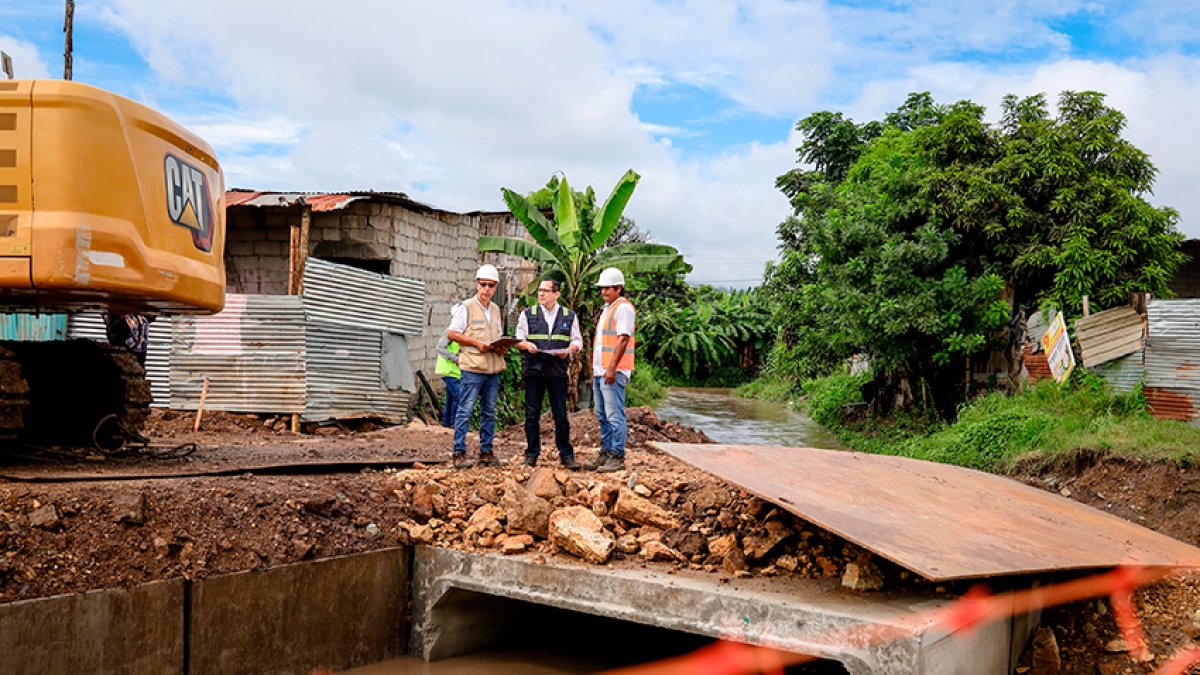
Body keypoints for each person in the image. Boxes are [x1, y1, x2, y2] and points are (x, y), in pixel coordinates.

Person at [515, 278, 582, 469]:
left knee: (560, 415)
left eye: (546, 290)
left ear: (557, 294)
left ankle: (566, 456)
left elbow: (577, 341)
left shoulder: (569, 316)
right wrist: (527, 345)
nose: (541, 294)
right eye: (540, 291)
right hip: (534, 371)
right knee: (531, 415)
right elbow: (519, 339)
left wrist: (570, 350)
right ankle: (531, 454)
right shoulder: (528, 314)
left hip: (557, 372)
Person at [446, 264, 509, 469]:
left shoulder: (496, 309)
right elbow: (452, 333)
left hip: (492, 369)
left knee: (489, 412)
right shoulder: (466, 307)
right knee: (465, 410)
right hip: (473, 368)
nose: (487, 289)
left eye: (491, 286)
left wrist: (501, 347)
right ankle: (459, 452)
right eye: (483, 285)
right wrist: (476, 343)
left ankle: (486, 451)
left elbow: (497, 335)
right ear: (477, 284)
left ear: (496, 287)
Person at [587, 267, 636, 473]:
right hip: (601, 370)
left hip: (613, 371)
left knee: (614, 414)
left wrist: (611, 368)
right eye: (602, 289)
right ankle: (606, 452)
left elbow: (623, 339)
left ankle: (617, 455)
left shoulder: (622, 308)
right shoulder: (608, 308)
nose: (604, 292)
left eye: (608, 288)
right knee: (602, 414)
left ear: (619, 288)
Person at [434, 304, 463, 429]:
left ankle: (446, 424)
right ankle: (454, 424)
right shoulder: (450, 332)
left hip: (455, 372)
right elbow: (440, 348)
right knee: (460, 397)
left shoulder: (462, 331)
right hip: (449, 371)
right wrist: (455, 359)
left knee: (451, 398)